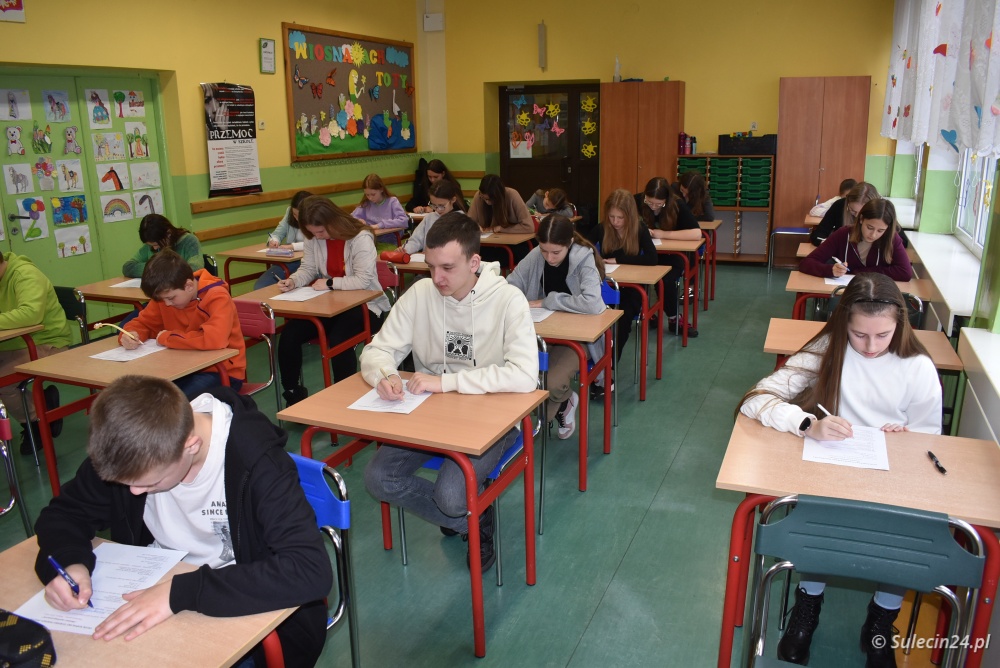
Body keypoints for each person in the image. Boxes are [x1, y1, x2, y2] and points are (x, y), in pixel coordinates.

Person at [33, 375, 332, 667]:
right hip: (156, 593)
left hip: (242, 611)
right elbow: (63, 515)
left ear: (191, 445)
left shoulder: (260, 463)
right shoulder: (134, 445)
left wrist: (178, 593)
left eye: (150, 483)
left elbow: (310, 570)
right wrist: (70, 563)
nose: (134, 492)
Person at [737, 273, 941, 667]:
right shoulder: (828, 349)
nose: (870, 346)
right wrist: (807, 424)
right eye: (859, 334)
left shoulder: (917, 367)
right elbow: (755, 399)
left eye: (882, 335)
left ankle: (881, 620)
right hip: (832, 474)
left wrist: (909, 437)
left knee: (906, 533)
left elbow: (931, 442)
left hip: (890, 481)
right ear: (844, 322)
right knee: (819, 521)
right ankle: (807, 607)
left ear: (900, 325)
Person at [360, 212, 538, 571]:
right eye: (431, 266)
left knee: (451, 495)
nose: (437, 278)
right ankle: (471, 518)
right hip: (430, 414)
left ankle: (464, 512)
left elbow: (524, 376)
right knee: (378, 478)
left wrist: (447, 383)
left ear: (474, 262)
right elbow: (378, 350)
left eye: (447, 268)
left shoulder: (508, 301)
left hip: (493, 419)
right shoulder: (420, 295)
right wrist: (384, 374)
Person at [277, 196, 391, 406]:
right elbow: (308, 268)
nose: (317, 237)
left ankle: (344, 398)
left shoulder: (360, 237)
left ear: (333, 221)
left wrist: (330, 283)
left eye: (321, 232)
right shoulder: (313, 237)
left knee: (339, 341)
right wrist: (293, 281)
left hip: (365, 306)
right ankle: (293, 393)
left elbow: (363, 280)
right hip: (330, 306)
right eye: (313, 233)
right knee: (289, 335)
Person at [507, 214, 606, 439]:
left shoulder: (584, 257)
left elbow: (593, 303)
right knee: (521, 376)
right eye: (544, 251)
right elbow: (511, 286)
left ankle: (555, 406)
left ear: (569, 243)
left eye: (556, 252)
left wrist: (548, 301)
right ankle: (562, 403)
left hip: (578, 338)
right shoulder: (537, 254)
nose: (549, 258)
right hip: (543, 332)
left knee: (551, 382)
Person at [121, 250, 246, 399]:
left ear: (189, 286)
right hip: (179, 367)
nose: (167, 304)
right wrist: (131, 334)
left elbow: (215, 339)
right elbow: (143, 323)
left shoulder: (217, 296)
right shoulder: (165, 296)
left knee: (174, 402)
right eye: (162, 299)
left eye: (171, 298)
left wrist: (168, 338)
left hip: (220, 371)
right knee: (142, 396)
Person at [587, 189, 657, 396]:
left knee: (620, 324)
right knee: (595, 322)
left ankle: (607, 371)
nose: (615, 222)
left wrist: (619, 260)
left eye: (620, 218)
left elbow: (652, 258)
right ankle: (596, 368)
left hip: (632, 290)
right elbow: (583, 249)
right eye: (611, 217)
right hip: (607, 287)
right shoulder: (602, 229)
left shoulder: (640, 230)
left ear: (629, 216)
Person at [0, 251, 68, 453]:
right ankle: (41, 406)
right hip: (12, 344)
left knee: (3, 383)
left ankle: (36, 422)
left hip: (45, 342)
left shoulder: (25, 274)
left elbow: (30, 314)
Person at [636, 176, 702, 337]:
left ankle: (674, 319)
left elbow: (696, 233)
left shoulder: (677, 205)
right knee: (634, 278)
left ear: (666, 200)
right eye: (649, 202)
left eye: (659, 204)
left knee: (666, 280)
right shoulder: (637, 201)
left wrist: (663, 234)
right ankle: (644, 312)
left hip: (671, 255)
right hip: (646, 254)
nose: (653, 207)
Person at [800, 199, 912, 282]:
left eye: (880, 230)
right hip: (846, 292)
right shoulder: (843, 234)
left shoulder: (892, 238)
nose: (873, 235)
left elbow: (905, 273)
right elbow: (806, 263)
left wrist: (860, 273)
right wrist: (830, 270)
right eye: (870, 227)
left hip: (876, 292)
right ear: (861, 219)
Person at [254, 190, 312, 289]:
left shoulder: (317, 218)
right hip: (290, 260)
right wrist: (274, 241)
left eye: (300, 215)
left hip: (308, 261)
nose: (297, 218)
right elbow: (277, 233)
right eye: (294, 214)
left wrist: (292, 246)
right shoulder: (289, 212)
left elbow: (315, 242)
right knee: (260, 286)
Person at [122, 214, 203, 278]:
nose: (154, 248)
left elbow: (195, 268)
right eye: (150, 245)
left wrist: (160, 269)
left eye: (156, 244)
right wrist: (156, 268)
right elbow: (128, 267)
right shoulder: (151, 246)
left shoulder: (189, 241)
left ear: (168, 233)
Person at [402, 179, 467, 254]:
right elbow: (415, 240)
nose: (438, 209)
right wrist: (405, 250)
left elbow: (459, 248)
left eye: (441, 206)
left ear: (453, 200)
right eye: (433, 205)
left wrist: (433, 254)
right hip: (426, 259)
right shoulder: (429, 218)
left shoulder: (461, 221)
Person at [809, 181, 878, 246]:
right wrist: (826, 243)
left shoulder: (879, 214)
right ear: (848, 202)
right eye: (852, 210)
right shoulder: (839, 205)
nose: (857, 215)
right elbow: (818, 235)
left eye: (862, 213)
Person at [351, 173, 409, 245]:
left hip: (390, 241)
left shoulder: (392, 201)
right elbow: (351, 217)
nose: (370, 198)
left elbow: (404, 221)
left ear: (381, 189)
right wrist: (358, 220)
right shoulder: (367, 203)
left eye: (373, 194)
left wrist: (380, 225)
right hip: (370, 240)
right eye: (367, 195)